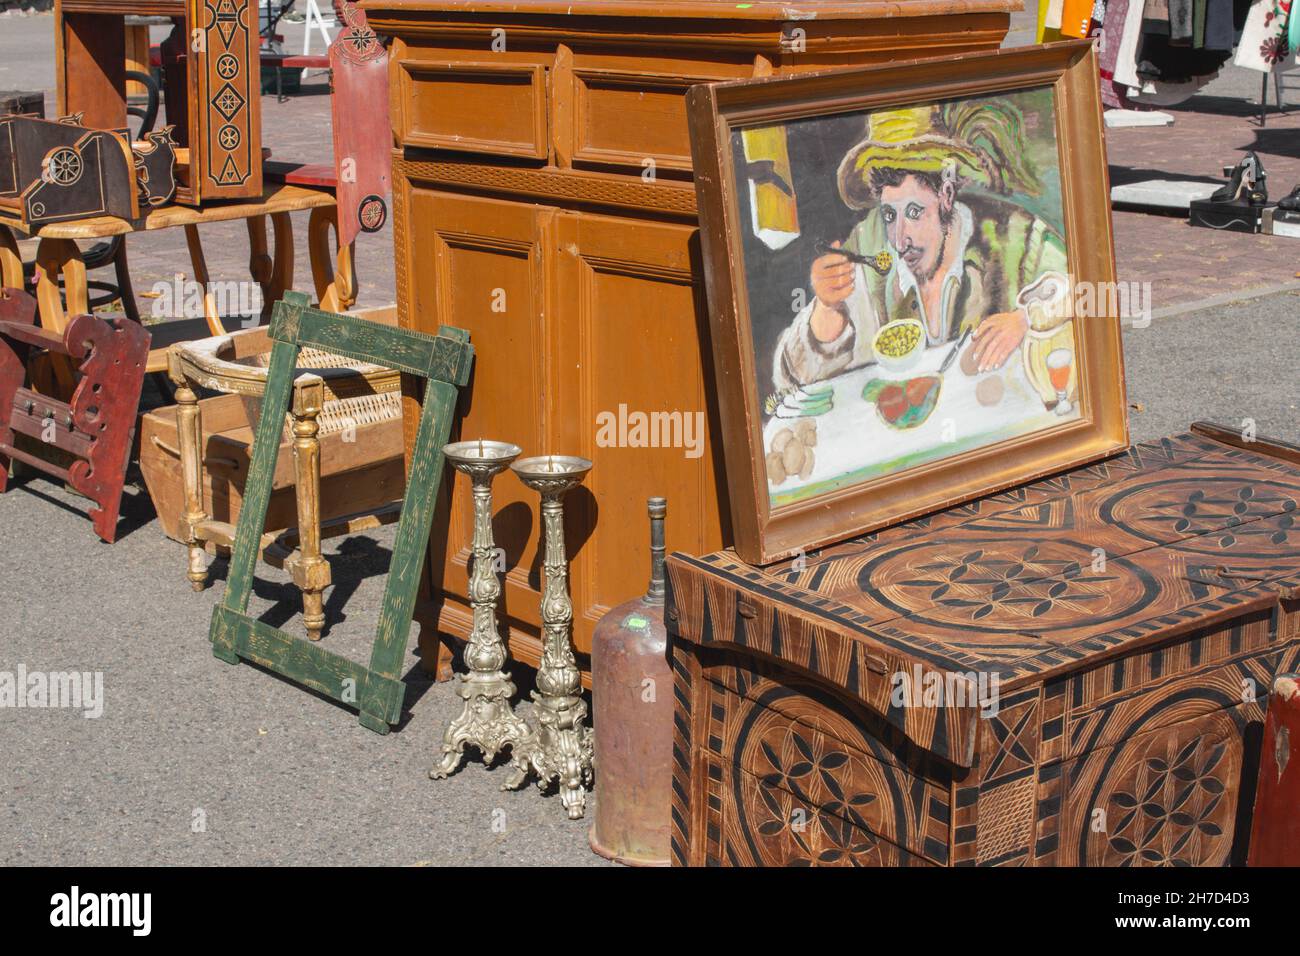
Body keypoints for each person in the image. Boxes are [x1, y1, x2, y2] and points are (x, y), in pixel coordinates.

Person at [775, 100, 1071, 394]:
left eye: (915, 212)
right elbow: (793, 379)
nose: (900, 238)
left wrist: (1027, 319)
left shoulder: (1016, 235)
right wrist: (828, 308)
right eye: (890, 215)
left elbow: (1090, 293)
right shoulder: (869, 244)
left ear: (946, 194)